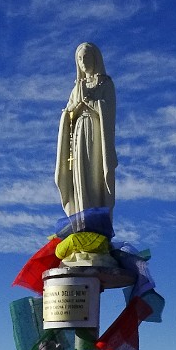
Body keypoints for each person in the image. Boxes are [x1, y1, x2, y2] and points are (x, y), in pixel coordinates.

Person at [55, 41, 117, 218]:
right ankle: (81, 216)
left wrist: (90, 102)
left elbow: (109, 109)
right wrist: (70, 112)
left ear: (95, 58)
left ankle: (96, 215)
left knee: (93, 174)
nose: (83, 62)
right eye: (79, 59)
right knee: (78, 175)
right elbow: (69, 112)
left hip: (95, 132)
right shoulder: (76, 88)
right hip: (78, 133)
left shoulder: (105, 84)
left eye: (86, 57)